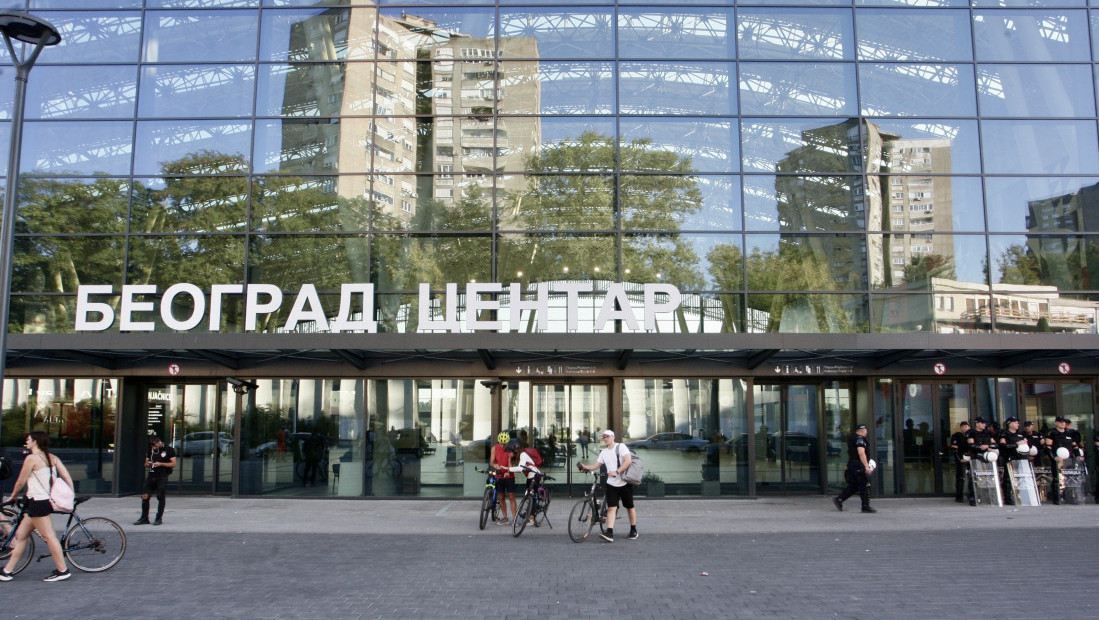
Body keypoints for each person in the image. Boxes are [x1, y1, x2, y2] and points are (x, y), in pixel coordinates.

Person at [1, 431, 74, 582]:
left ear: (35, 441)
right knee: (21, 536)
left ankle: (63, 570)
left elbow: (21, 481)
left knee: (49, 536)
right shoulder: (52, 458)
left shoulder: (32, 458)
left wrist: (13, 496)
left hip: (38, 502)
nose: (26, 442)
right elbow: (66, 476)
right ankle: (7, 571)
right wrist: (71, 494)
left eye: (28, 439)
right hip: (40, 502)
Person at [577, 429, 638, 542]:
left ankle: (633, 529)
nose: (605, 438)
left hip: (624, 483)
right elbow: (596, 465)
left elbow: (628, 461)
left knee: (629, 507)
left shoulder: (621, 447)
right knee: (611, 508)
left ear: (613, 437)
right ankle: (609, 533)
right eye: (604, 437)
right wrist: (585, 467)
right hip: (611, 484)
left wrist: (617, 471)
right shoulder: (604, 452)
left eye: (607, 436)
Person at [833, 424, 876, 513]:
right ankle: (865, 506)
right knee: (865, 485)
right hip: (858, 465)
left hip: (853, 465)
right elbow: (861, 453)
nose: (867, 431)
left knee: (854, 485)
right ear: (862, 430)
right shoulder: (859, 439)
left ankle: (840, 499)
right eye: (866, 429)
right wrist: (866, 466)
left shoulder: (853, 438)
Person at [135, 435, 176, 526]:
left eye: (155, 445)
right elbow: (146, 463)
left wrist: (161, 464)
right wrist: (148, 464)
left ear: (159, 442)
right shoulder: (151, 450)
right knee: (145, 496)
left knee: (160, 497)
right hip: (151, 476)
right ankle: (144, 518)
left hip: (162, 476)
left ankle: (158, 518)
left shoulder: (169, 450)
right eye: (152, 446)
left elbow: (173, 464)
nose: (153, 447)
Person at [503, 439, 541, 525]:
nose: (509, 454)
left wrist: (508, 469)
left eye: (509, 452)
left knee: (531, 497)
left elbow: (520, 469)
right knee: (528, 497)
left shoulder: (523, 454)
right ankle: (531, 511)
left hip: (534, 477)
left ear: (515, 450)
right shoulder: (521, 455)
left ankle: (532, 519)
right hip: (530, 477)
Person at [1043, 416, 1076, 505]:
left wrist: (1078, 456)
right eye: (1060, 422)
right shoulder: (1052, 432)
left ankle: (1069, 497)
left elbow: (1074, 446)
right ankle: (1057, 498)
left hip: (1069, 459)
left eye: (1064, 422)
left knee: (1070, 478)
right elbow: (1048, 447)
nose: (1063, 423)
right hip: (1058, 459)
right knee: (1057, 478)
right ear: (1056, 423)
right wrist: (1053, 457)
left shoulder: (1069, 433)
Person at [488, 431, 517, 526]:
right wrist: (495, 465)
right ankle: (505, 518)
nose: (503, 446)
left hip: (509, 476)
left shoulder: (510, 449)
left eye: (505, 444)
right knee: (501, 497)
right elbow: (491, 462)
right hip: (499, 475)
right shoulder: (494, 448)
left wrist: (508, 472)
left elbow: (510, 461)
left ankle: (514, 518)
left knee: (511, 496)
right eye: (501, 444)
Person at [998, 417, 1027, 505]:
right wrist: (1016, 444)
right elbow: (1003, 445)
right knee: (1008, 478)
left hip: (1020, 458)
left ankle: (1019, 496)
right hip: (1009, 457)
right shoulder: (1005, 434)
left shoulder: (1020, 434)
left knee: (1019, 478)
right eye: (1015, 423)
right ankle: (1007, 497)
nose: (1017, 424)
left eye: (1018, 423)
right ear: (1010, 424)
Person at [949, 421, 970, 503]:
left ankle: (971, 494)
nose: (964, 428)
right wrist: (959, 459)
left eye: (966, 426)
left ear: (969, 427)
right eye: (963, 427)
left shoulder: (972, 435)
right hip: (961, 459)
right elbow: (954, 449)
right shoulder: (956, 436)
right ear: (960, 428)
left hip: (970, 458)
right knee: (960, 478)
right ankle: (959, 496)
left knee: (971, 477)